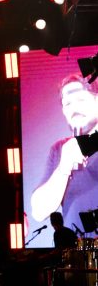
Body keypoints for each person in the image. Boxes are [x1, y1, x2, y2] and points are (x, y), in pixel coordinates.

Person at [31, 74, 98, 232]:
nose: (74, 108)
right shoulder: (60, 149)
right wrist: (63, 168)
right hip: (77, 244)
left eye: (80, 99)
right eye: (67, 103)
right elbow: (39, 212)